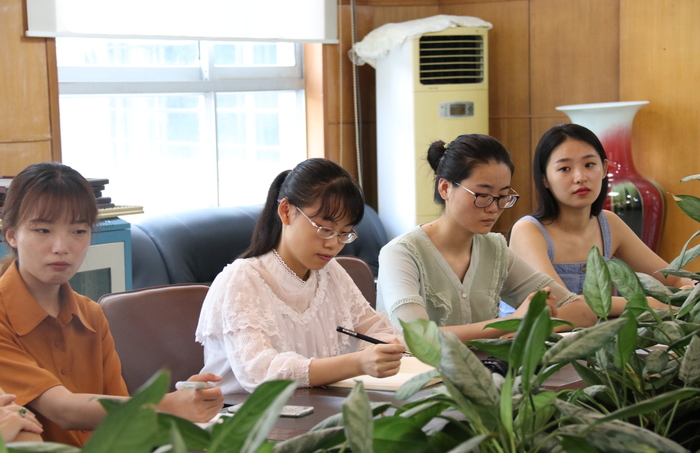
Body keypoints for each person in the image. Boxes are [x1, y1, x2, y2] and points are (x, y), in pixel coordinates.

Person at [0, 162, 224, 447]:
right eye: (43, 230)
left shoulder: (91, 315)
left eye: (78, 231)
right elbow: (62, 409)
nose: (61, 247)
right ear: (12, 235)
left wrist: (187, 399)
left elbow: (123, 420)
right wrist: (167, 405)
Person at [196, 158, 406, 394]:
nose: (333, 244)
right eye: (325, 229)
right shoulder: (242, 279)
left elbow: (376, 329)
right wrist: (357, 363)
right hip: (244, 411)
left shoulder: (331, 273)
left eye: (344, 234)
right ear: (286, 211)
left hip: (315, 405)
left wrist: (387, 347)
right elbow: (260, 372)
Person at [376, 134, 598, 343]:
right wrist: (513, 323)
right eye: (482, 195)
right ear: (445, 188)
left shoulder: (494, 249)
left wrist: (522, 327)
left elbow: (582, 311)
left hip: (485, 369)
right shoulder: (401, 253)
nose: (494, 208)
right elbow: (416, 337)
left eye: (502, 196)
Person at [509, 123, 691, 313]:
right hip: (535, 331)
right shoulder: (528, 230)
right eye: (565, 168)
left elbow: (673, 279)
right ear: (544, 178)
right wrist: (651, 304)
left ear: (604, 169)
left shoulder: (609, 224)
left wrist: (691, 288)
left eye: (589, 165)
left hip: (595, 329)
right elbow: (562, 302)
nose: (580, 177)